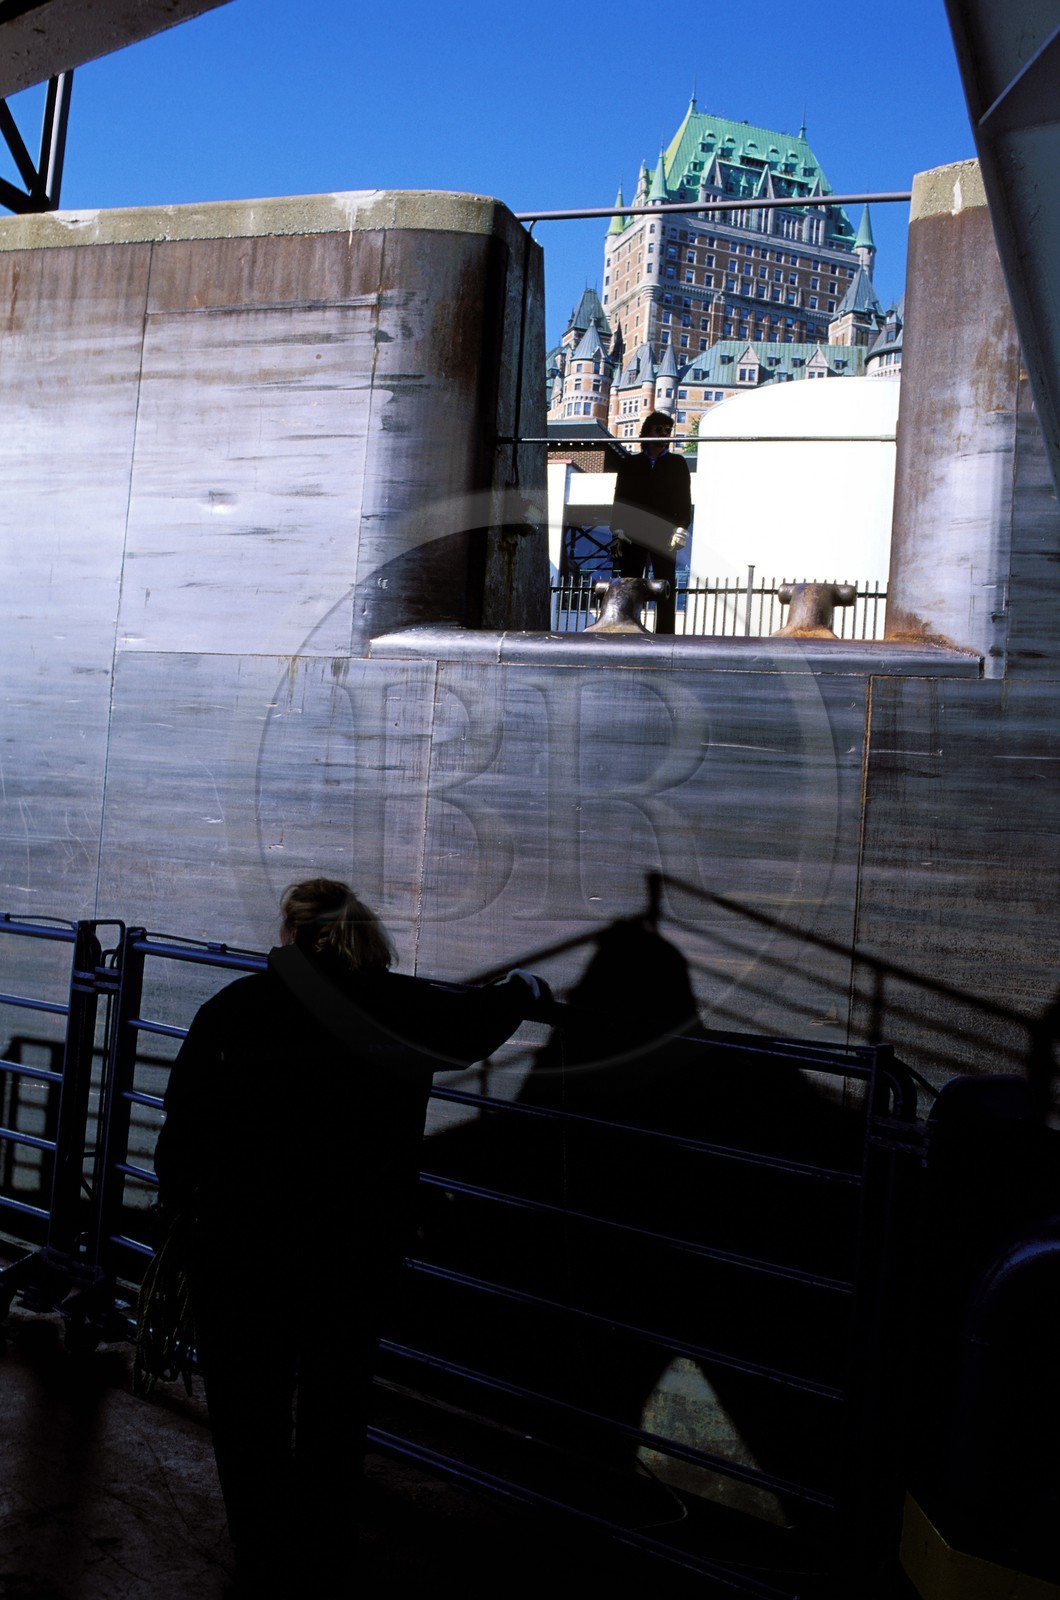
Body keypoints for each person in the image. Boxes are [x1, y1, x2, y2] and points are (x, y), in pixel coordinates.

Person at [154, 878, 547, 1596]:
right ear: (360, 930)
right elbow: (476, 1025)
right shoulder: (401, 1008)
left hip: (242, 1246)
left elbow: (183, 1125)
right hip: (354, 1246)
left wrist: (183, 1211)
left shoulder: (235, 1008)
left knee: (248, 1408)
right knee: (336, 1402)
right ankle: (325, 1545)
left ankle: (262, 1553)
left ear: (290, 932)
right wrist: (523, 988)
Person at [610, 411, 693, 634]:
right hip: (633, 532)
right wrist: (617, 531)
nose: (664, 434)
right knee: (629, 583)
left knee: (665, 584)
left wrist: (681, 528)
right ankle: (626, 627)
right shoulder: (630, 463)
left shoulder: (677, 463)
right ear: (647, 432)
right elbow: (620, 498)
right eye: (659, 430)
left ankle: (665, 634)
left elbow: (684, 499)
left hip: (664, 531)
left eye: (668, 430)